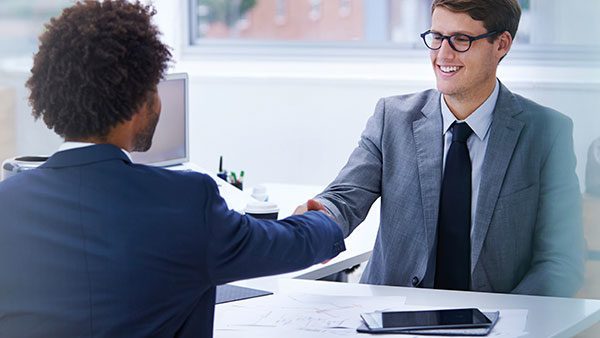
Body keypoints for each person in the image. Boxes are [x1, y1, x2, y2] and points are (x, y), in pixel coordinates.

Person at [0, 1, 345, 337]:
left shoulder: (6, 203)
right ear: (137, 103)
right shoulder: (185, 202)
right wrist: (321, 220)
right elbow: (288, 245)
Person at [296, 0, 584, 297]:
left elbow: (561, 261)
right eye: (436, 38)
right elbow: (344, 199)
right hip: (390, 315)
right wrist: (317, 220)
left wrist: (509, 319)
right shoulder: (391, 119)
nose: (443, 55)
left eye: (461, 40)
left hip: (495, 321)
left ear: (501, 44)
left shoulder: (547, 133)